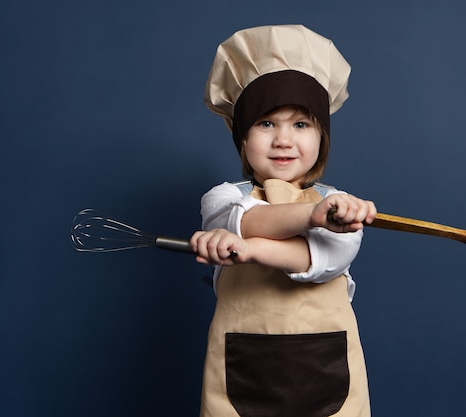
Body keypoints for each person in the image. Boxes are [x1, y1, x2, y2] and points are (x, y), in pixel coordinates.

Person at [190, 25, 376, 417]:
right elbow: (247, 221)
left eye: (301, 124)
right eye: (266, 123)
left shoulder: (338, 204)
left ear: (321, 136)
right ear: (242, 136)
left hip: (328, 374)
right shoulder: (223, 198)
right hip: (241, 376)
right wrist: (311, 217)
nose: (284, 140)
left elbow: (322, 259)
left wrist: (253, 250)